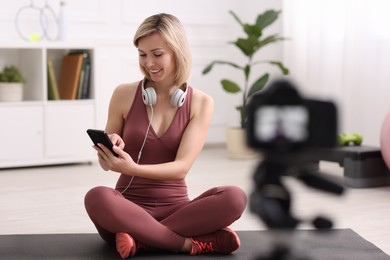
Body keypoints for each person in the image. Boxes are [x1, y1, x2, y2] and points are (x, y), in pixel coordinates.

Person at [84, 13, 247, 259]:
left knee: (235, 197)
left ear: (177, 51)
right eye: (142, 54)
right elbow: (106, 166)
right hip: (126, 211)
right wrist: (111, 151)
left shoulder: (201, 103)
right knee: (97, 197)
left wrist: (133, 168)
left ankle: (142, 240)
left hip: (179, 211)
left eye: (157, 54)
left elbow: (181, 168)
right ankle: (189, 244)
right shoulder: (124, 94)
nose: (149, 63)